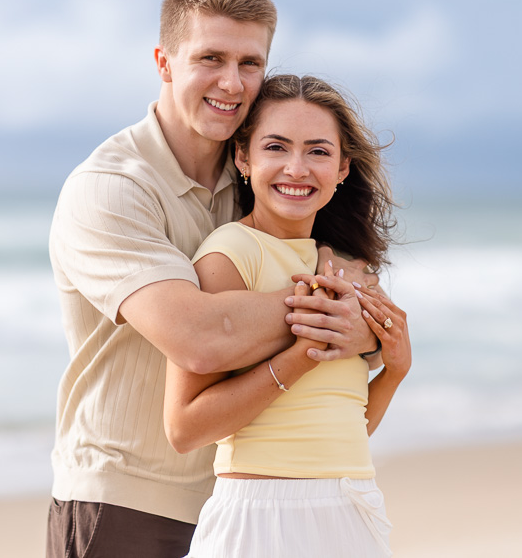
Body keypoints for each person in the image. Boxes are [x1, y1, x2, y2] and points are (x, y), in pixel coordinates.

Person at [46, 0, 381, 558]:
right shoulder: (110, 190)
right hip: (126, 502)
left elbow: (362, 310)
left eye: (250, 62)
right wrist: (332, 309)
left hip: (240, 503)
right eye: (211, 58)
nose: (232, 82)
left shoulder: (260, 179)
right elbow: (201, 338)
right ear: (165, 61)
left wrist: (366, 326)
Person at [163, 74, 411, 558]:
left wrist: (396, 368)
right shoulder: (231, 253)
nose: (296, 169)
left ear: (343, 168)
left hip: (350, 506)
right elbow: (185, 428)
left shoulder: (348, 267)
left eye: (318, 152)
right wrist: (304, 354)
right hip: (259, 517)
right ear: (243, 157)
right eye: (276, 147)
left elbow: (343, 431)